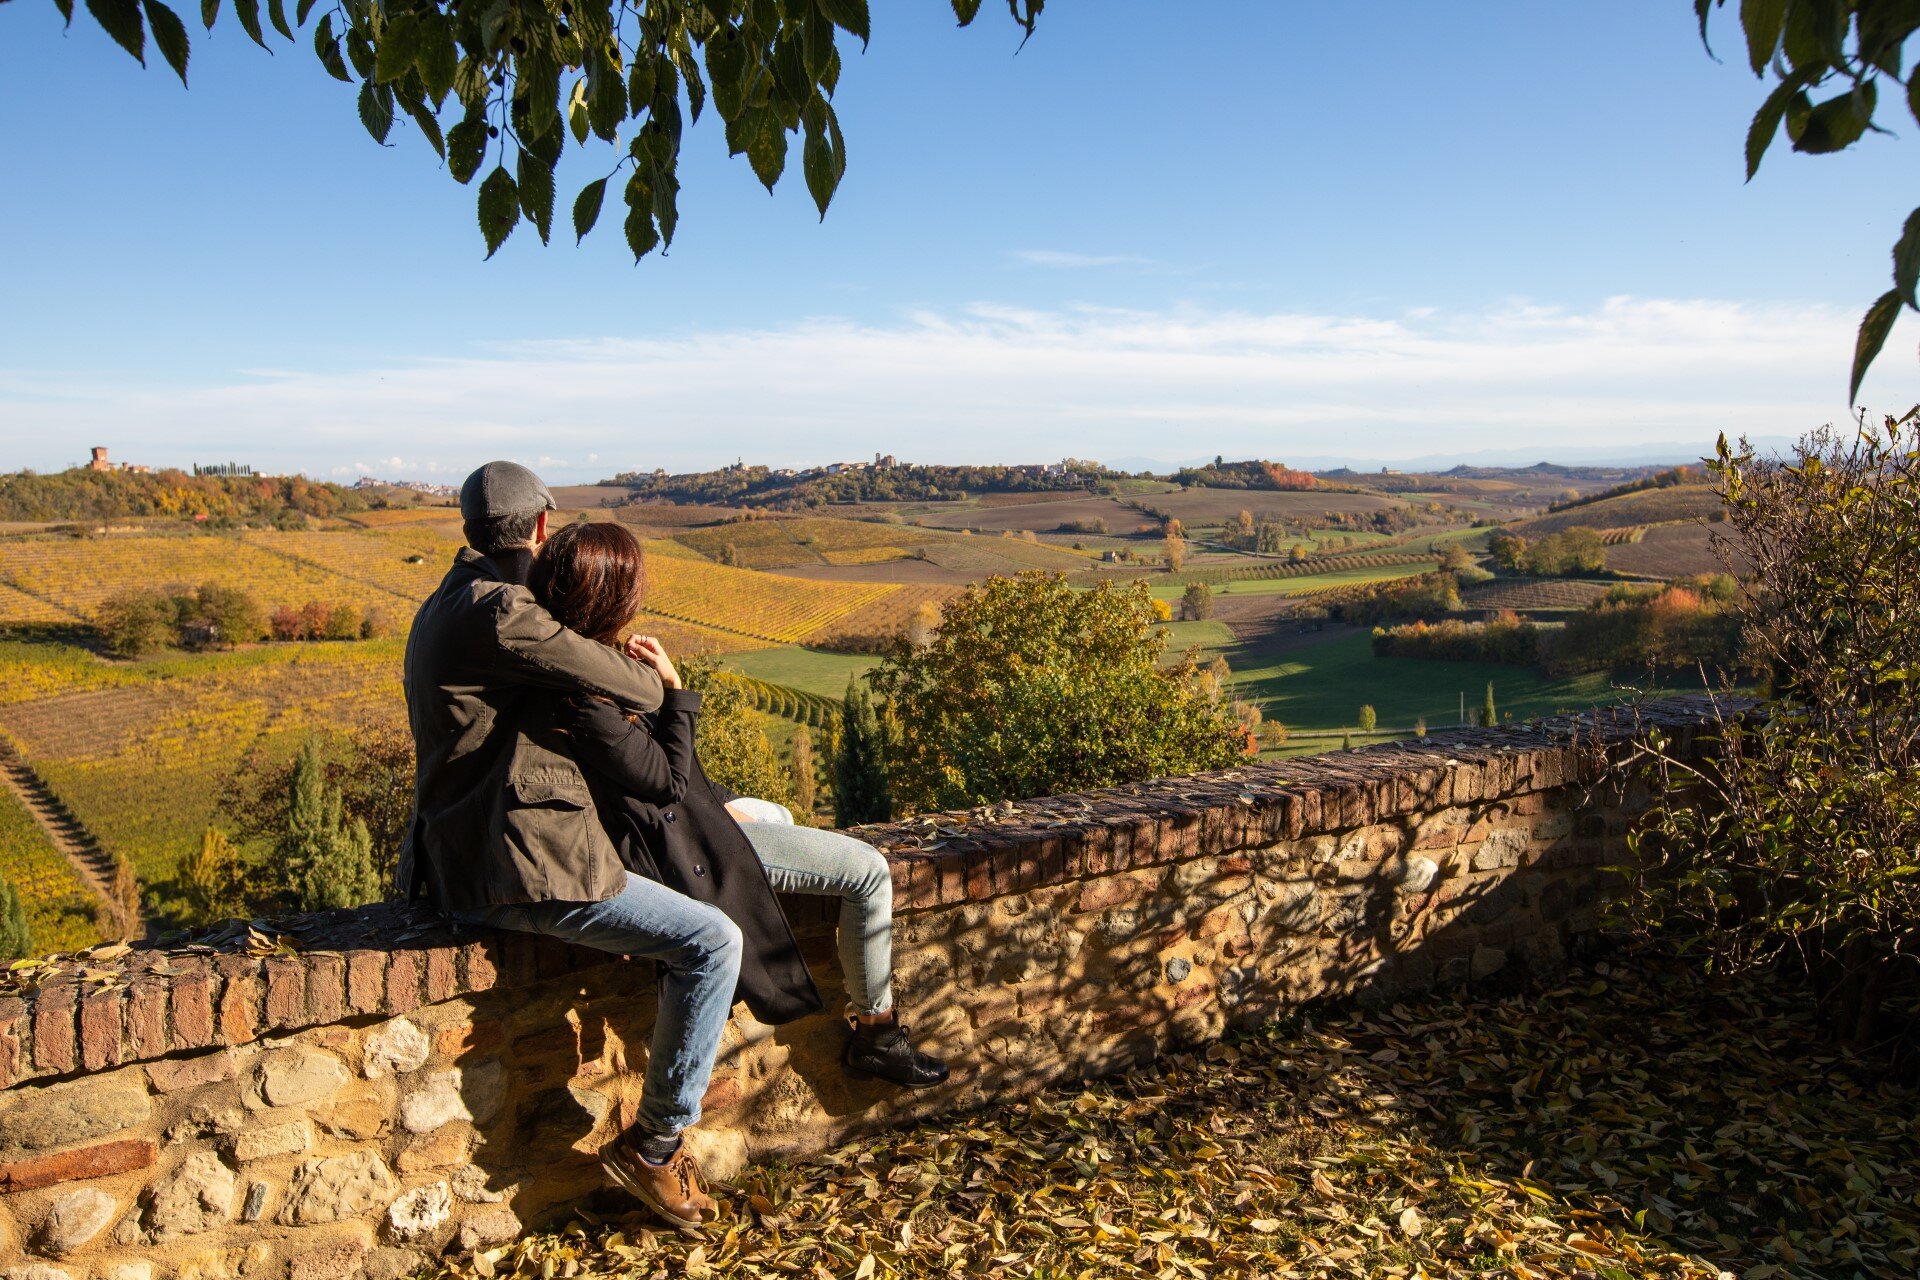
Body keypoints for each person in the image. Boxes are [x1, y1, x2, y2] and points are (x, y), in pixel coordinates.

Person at [400, 462, 738, 1232]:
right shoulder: (502, 613)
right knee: (711, 942)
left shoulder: (448, 600)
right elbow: (635, 688)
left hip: (477, 850)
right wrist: (666, 683)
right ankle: (655, 1147)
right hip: (513, 863)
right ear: (542, 527)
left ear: (468, 528)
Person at [524, 522, 950, 1085]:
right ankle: (878, 1032)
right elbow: (665, 783)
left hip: (680, 823)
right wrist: (675, 692)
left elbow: (666, 779)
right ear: (610, 595)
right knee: (869, 872)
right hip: (671, 844)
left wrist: (720, 803)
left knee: (775, 815)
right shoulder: (586, 697)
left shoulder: (573, 662)